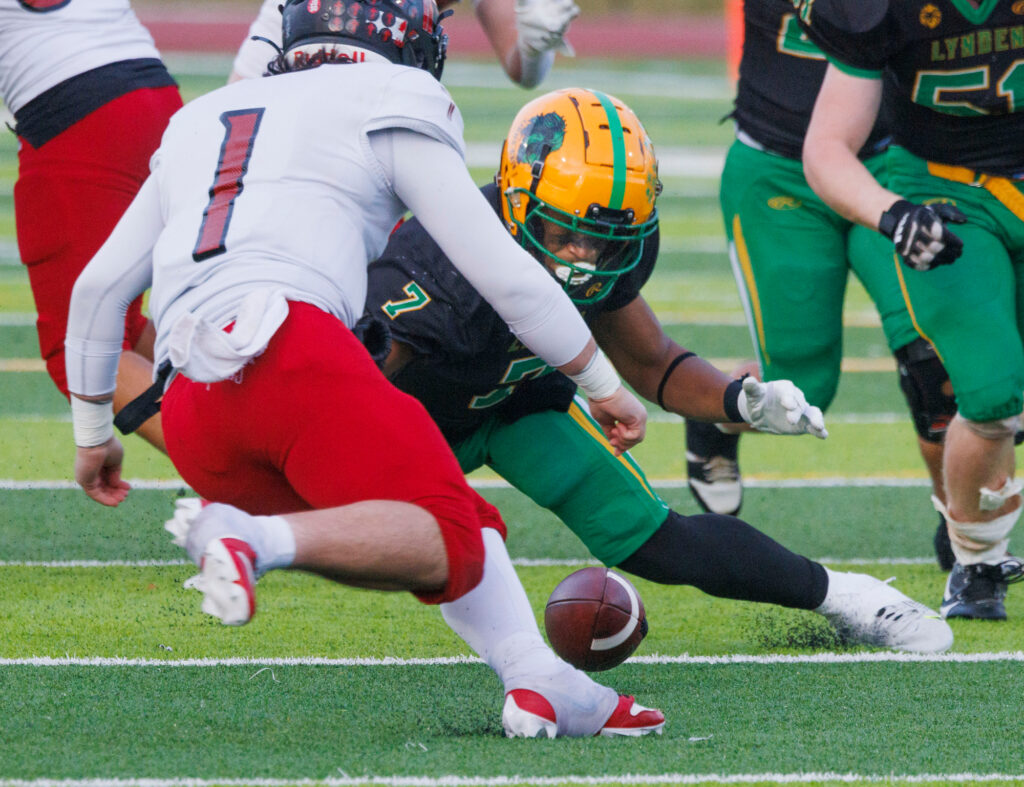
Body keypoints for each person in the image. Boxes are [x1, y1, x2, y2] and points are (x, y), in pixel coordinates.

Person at [65, 0, 666, 739]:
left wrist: (94, 433)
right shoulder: (393, 96)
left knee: (449, 522)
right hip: (289, 351)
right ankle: (253, 538)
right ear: (411, 44)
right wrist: (605, 385)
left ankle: (541, 682)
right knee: (448, 532)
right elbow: (506, 276)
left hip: (192, 406)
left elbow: (96, 292)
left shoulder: (203, 117)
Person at [363, 86, 954, 654]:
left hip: (517, 406)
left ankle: (853, 598)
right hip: (407, 425)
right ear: (518, 200)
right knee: (452, 538)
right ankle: (529, 670)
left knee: (656, 540)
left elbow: (653, 363)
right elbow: (351, 389)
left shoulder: (607, 250)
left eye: (604, 240)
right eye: (563, 231)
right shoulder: (435, 265)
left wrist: (741, 401)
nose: (582, 255)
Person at [682, 0, 959, 572]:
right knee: (802, 384)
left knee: (934, 356)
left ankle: (961, 525)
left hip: (890, 166)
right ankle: (714, 414)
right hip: (777, 174)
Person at [798, 0, 1024, 620]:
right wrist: (892, 214)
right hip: (946, 191)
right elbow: (826, 147)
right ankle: (977, 560)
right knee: (993, 391)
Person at [0, 0, 183, 452]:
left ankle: (255, 481)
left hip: (78, 113)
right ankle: (266, 427)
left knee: (79, 349)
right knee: (119, 322)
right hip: (151, 92)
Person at [229, 0, 578, 88]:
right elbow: (239, 98)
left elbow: (521, 68)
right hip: (313, 35)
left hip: (389, 81)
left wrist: (536, 42)